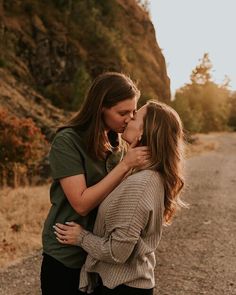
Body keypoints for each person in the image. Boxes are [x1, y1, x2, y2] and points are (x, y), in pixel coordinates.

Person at [54, 100, 186, 295]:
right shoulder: (142, 173)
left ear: (143, 132)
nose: (129, 118)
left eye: (135, 116)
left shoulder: (140, 184)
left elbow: (117, 252)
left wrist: (81, 237)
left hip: (122, 287)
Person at [40, 72, 150, 295]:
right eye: (122, 113)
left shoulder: (116, 144)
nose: (129, 118)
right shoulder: (67, 141)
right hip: (67, 253)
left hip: (100, 253)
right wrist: (125, 165)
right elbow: (80, 204)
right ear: (101, 108)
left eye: (133, 112)